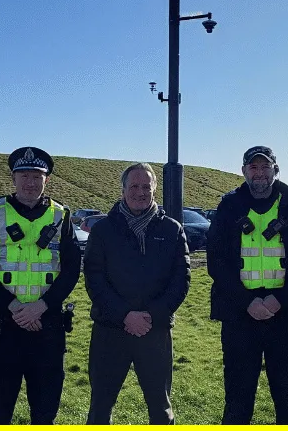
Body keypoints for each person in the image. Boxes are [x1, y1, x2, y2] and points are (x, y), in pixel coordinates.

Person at [207, 146, 288, 425]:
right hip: (239, 315)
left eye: (265, 167)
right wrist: (248, 302)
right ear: (244, 171)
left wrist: (277, 300)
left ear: (275, 170)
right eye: (254, 168)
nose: (259, 173)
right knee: (237, 402)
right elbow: (216, 262)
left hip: (285, 315)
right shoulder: (229, 206)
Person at [0, 146, 81, 424]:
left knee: (44, 414)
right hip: (3, 327)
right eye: (25, 176)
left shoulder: (62, 216)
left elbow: (71, 271)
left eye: (37, 176)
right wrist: (17, 308)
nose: (31, 182)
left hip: (47, 326)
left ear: (47, 180)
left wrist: (40, 308)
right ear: (13, 178)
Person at [84, 162, 191, 425]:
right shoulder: (102, 230)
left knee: (160, 409)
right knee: (100, 408)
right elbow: (94, 279)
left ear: (155, 189)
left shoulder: (172, 230)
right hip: (110, 330)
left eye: (146, 186)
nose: (140, 192)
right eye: (134, 186)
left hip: (155, 331)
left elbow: (181, 280)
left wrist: (151, 315)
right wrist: (124, 315)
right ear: (122, 190)